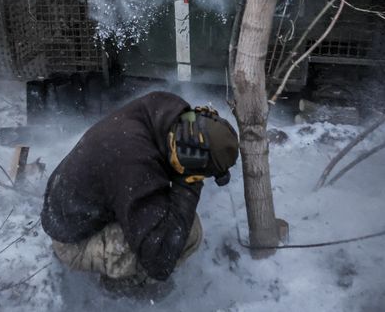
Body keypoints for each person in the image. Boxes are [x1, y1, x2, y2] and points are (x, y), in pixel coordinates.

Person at [40, 91, 240, 296]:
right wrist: (188, 182)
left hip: (76, 206)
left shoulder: (171, 112)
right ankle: (121, 289)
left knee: (171, 217)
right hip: (72, 241)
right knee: (186, 233)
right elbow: (159, 261)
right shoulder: (135, 164)